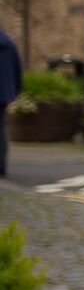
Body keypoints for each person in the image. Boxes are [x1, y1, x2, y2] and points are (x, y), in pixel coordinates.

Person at [0, 25, 21, 178]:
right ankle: (1, 165)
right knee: (0, 129)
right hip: (3, 93)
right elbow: (17, 68)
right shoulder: (8, 43)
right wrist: (15, 90)